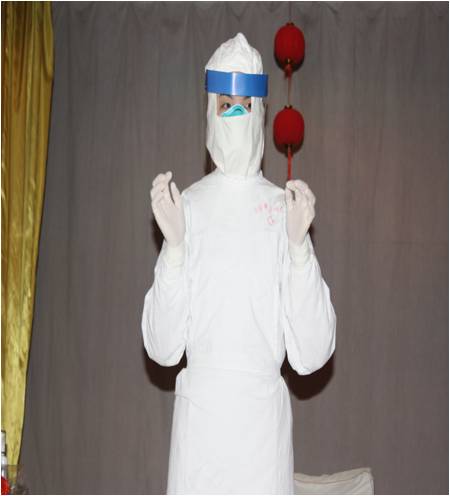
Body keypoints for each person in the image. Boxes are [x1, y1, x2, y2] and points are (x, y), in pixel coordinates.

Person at [141, 33, 336, 495]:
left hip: (261, 436)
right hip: (200, 433)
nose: (234, 115)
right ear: (210, 110)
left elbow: (312, 354)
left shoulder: (284, 210)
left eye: (244, 106)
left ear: (260, 111)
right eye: (224, 105)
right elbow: (162, 348)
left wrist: (299, 252)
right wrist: (174, 252)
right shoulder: (186, 207)